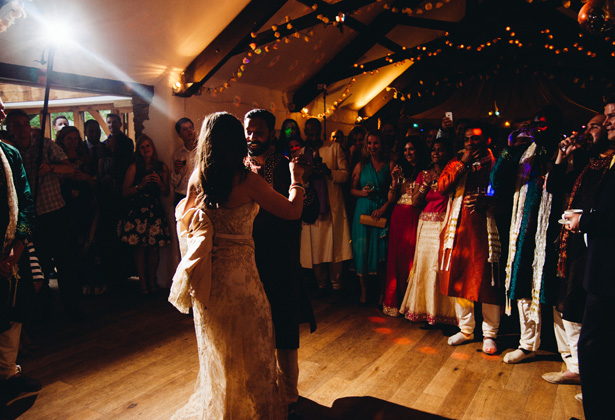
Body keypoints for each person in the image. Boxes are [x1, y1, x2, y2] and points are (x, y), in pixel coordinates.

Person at [169, 112, 305, 420]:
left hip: (210, 284)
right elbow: (293, 211)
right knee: (253, 353)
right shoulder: (248, 182)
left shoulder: (198, 179)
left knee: (221, 355)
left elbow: (183, 220)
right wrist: (297, 181)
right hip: (243, 282)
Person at [244, 109, 316, 410]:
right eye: (248, 131)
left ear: (271, 134)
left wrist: (302, 182)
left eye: (258, 131)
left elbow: (308, 211)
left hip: (282, 257)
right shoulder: (240, 169)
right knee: (255, 327)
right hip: (249, 260)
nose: (251, 137)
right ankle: (262, 387)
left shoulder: (286, 166)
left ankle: (290, 393)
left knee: (284, 328)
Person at [490, 105, 563, 364]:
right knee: (522, 283)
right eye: (534, 124)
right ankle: (527, 343)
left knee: (554, 292)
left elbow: (558, 178)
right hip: (523, 228)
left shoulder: (561, 149)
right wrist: (510, 147)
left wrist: (542, 141)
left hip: (554, 230)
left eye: (543, 124)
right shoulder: (523, 151)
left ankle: (569, 357)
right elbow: (496, 181)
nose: (537, 129)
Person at [542, 113, 607, 386]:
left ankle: (583, 371)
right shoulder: (587, 162)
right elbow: (554, 186)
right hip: (571, 240)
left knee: (576, 304)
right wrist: (561, 155)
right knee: (564, 301)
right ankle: (573, 365)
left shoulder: (608, 165)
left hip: (592, 243)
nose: (588, 130)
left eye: (595, 126)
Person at [564, 96, 615, 419]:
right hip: (602, 269)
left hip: (608, 275)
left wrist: (585, 221)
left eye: (613, 116)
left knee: (593, 350)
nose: (609, 122)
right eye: (606, 117)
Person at [5, 110, 80, 317]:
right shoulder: (9, 150)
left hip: (55, 213)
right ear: (9, 128)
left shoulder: (44, 145)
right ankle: (43, 310)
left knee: (66, 263)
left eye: (24, 124)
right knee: (39, 267)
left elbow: (68, 168)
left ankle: (72, 308)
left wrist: (50, 167)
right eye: (16, 125)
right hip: (30, 218)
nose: (21, 129)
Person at [438, 123, 501, 355]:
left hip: (484, 229)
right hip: (457, 230)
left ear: (486, 140)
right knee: (460, 279)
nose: (470, 143)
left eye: (475, 139)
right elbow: (442, 187)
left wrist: (489, 201)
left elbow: (504, 191)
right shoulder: (457, 162)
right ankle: (466, 330)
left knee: (487, 282)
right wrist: (462, 163)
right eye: (466, 139)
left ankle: (490, 334)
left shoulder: (495, 163)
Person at [0, 97, 41, 400]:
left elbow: (26, 202)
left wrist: (18, 246)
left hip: (12, 253)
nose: (2, 111)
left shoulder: (10, 154)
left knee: (13, 313)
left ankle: (8, 372)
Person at [400, 139, 457, 325]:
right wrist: (426, 184)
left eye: (440, 150)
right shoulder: (423, 174)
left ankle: (443, 314)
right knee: (424, 267)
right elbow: (416, 202)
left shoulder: (452, 174)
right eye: (433, 150)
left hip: (444, 224)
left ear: (447, 153)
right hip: (425, 225)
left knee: (439, 268)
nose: (436, 153)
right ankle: (425, 312)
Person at [300, 118, 352, 297]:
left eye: (316, 134)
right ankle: (321, 285)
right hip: (312, 208)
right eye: (310, 134)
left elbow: (346, 175)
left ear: (321, 132)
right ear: (305, 134)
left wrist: (328, 172)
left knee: (334, 246)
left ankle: (336, 285)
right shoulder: (301, 152)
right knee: (316, 248)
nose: (313, 138)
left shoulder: (334, 148)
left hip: (332, 207)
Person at [118, 135, 171, 294]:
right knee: (140, 248)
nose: (146, 149)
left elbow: (166, 192)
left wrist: (160, 182)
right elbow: (124, 191)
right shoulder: (134, 167)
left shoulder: (161, 167)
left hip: (154, 210)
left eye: (148, 146)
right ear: (138, 150)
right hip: (138, 211)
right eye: (142, 147)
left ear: (152, 148)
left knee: (154, 249)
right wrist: (140, 185)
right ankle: (143, 283)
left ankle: (152, 280)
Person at [382, 136, 425, 316]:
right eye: (405, 150)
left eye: (412, 149)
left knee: (411, 260)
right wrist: (394, 182)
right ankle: (394, 301)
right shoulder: (401, 170)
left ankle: (410, 304)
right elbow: (391, 199)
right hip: (398, 216)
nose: (408, 153)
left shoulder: (425, 171)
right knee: (396, 259)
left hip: (414, 217)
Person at [350, 131, 395, 305]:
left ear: (382, 144)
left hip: (381, 210)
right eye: (369, 143)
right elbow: (351, 189)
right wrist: (362, 192)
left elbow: (395, 191)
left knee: (380, 253)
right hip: (362, 211)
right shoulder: (361, 165)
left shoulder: (390, 165)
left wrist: (384, 208)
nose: (372, 147)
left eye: (375, 143)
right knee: (362, 250)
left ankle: (382, 294)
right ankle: (364, 292)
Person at [55, 127, 99, 295]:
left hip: (84, 207)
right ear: (63, 140)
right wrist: (65, 175)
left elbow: (97, 183)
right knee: (68, 248)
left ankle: (86, 284)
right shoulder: (58, 160)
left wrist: (86, 178)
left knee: (87, 243)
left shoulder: (85, 159)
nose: (73, 142)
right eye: (69, 139)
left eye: (75, 138)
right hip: (65, 207)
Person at [170, 117, 196, 206]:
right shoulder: (177, 155)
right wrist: (177, 171)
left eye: (190, 127)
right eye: (185, 129)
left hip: (199, 195)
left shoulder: (203, 151)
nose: (189, 131)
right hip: (182, 196)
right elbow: (174, 184)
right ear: (179, 134)